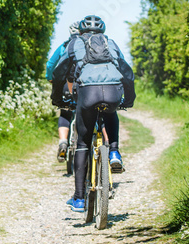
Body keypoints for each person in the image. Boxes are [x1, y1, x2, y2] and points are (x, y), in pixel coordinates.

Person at [52, 14, 135, 212]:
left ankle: (79, 199)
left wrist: (57, 98)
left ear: (81, 30)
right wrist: (129, 99)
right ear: (102, 31)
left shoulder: (75, 43)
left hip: (88, 93)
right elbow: (127, 71)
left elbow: (58, 72)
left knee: (82, 143)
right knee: (110, 113)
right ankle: (114, 151)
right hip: (113, 91)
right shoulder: (111, 43)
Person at [46, 22, 81, 160]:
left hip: (66, 85)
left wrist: (50, 78)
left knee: (65, 113)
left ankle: (63, 142)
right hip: (84, 86)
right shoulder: (87, 46)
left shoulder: (65, 46)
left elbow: (50, 64)